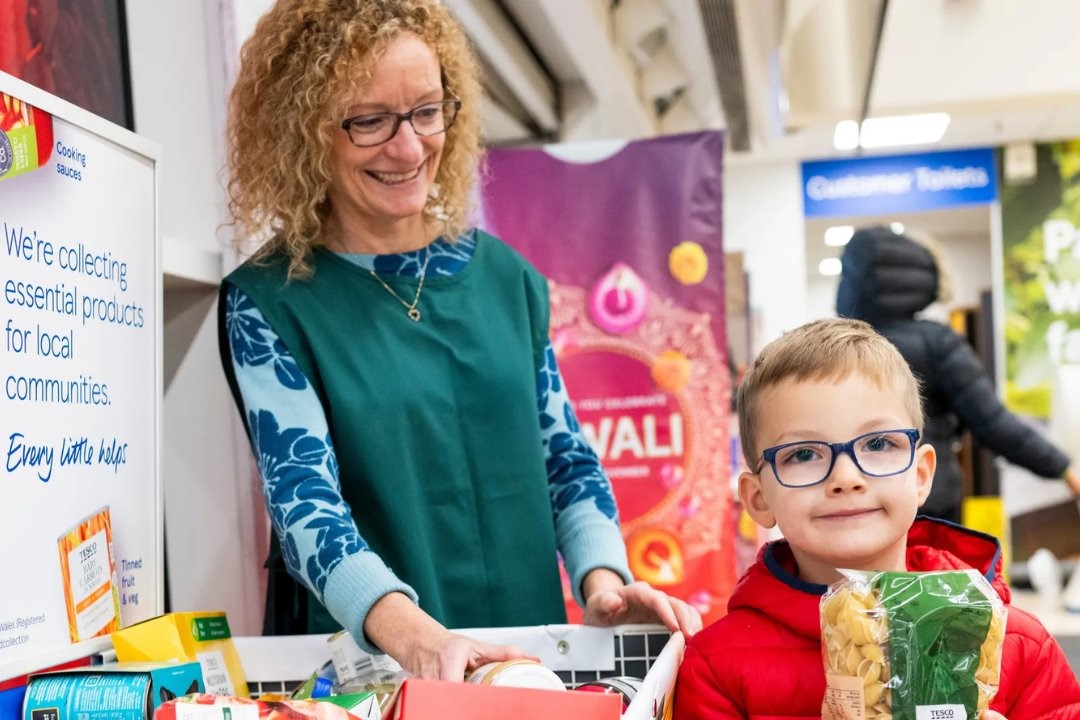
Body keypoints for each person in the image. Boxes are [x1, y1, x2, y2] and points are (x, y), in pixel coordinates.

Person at [217, 0, 700, 681]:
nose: (409, 147)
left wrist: (603, 582)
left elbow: (565, 460)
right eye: (369, 121)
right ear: (305, 131)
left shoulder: (506, 280)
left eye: (424, 110)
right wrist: (419, 641)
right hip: (374, 668)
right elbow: (305, 507)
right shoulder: (271, 302)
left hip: (523, 657)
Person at [673, 318, 1080, 719]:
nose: (845, 478)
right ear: (759, 499)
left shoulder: (1018, 644)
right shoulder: (717, 668)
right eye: (802, 454)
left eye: (879, 443)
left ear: (920, 476)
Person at [836, 225, 1080, 522]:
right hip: (928, 501)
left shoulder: (839, 349)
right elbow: (993, 423)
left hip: (859, 505)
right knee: (934, 569)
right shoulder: (936, 342)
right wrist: (1063, 469)